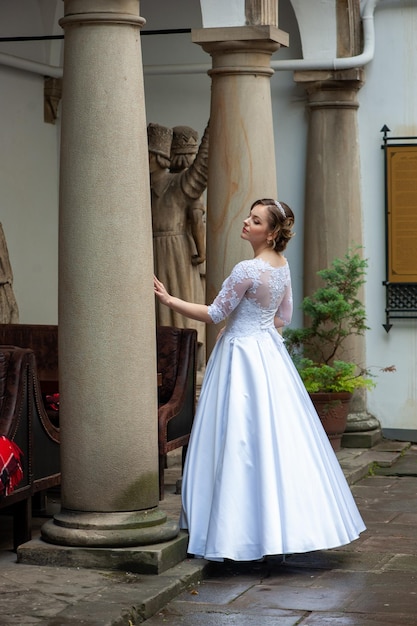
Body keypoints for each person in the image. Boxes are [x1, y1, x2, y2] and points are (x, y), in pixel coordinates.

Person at [154, 198, 366, 562]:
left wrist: (169, 300)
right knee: (274, 436)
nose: (246, 223)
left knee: (236, 435)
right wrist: (253, 327)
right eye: (249, 217)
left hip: (240, 355)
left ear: (270, 233)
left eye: (255, 220)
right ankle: (278, 527)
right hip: (268, 355)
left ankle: (235, 532)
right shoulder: (281, 266)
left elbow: (214, 313)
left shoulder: (246, 269)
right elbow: (282, 317)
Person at [148, 122, 209, 348]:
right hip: (150, 253)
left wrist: (213, 127)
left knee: (181, 312)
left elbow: (202, 168)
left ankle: (187, 359)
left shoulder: (178, 184)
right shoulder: (139, 188)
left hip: (176, 253)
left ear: (155, 157)